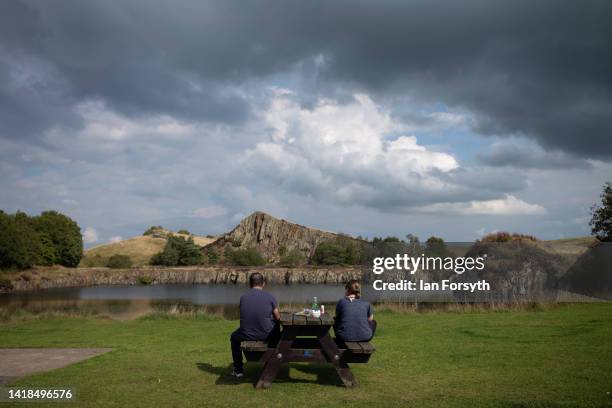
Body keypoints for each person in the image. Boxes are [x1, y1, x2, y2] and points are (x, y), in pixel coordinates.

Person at [230, 272, 280, 378]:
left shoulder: (243, 297)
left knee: (234, 337)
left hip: (246, 334)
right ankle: (273, 360)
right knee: (276, 327)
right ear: (263, 284)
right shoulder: (270, 296)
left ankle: (238, 369)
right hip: (266, 335)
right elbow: (277, 317)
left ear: (250, 284)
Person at [334, 280, 376, 344]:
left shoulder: (342, 302)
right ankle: (362, 332)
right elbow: (370, 319)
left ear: (347, 290)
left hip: (343, 337)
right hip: (365, 337)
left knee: (335, 319)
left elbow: (337, 315)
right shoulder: (366, 303)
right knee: (374, 322)